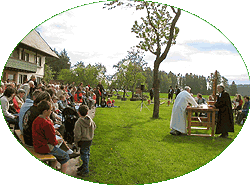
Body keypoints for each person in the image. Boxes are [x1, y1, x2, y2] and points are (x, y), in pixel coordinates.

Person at [32, 101, 70, 173]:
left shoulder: (36, 120)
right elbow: (53, 142)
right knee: (66, 156)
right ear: (45, 111)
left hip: (37, 145)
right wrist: (58, 141)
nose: (51, 111)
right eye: (50, 110)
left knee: (56, 157)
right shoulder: (46, 124)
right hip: (45, 147)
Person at [74, 105, 96, 177]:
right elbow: (94, 126)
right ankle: (84, 166)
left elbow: (77, 134)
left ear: (78, 113)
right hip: (89, 139)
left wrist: (76, 141)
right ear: (87, 112)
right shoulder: (90, 120)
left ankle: (85, 169)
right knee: (87, 153)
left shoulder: (78, 122)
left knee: (84, 154)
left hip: (83, 140)